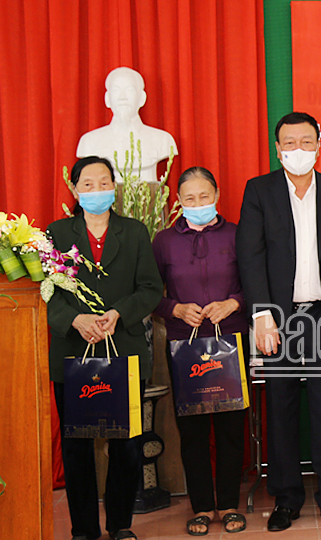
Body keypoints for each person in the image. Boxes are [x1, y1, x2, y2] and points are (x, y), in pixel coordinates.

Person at [236, 112, 321, 532]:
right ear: (278, 149)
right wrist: (261, 315)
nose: (298, 149)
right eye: (289, 143)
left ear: (319, 146)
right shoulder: (259, 190)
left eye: (306, 141)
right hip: (278, 317)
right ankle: (286, 498)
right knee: (281, 405)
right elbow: (250, 255)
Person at [47, 156, 163, 540]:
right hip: (72, 352)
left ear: (114, 187)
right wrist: (74, 320)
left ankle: (119, 525)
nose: (96, 190)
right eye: (87, 184)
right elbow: (45, 291)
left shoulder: (134, 232)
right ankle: (83, 529)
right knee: (76, 447)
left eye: (103, 183)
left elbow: (151, 288)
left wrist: (119, 313)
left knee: (127, 446)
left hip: (123, 349)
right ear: (74, 189)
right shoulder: (56, 233)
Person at [152, 167, 248, 535]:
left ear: (217, 195)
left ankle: (229, 504)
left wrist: (234, 303)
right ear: (178, 201)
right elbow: (148, 292)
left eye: (204, 196)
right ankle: (202, 506)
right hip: (184, 346)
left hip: (230, 342)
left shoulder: (237, 234)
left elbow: (257, 283)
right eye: (189, 198)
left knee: (230, 428)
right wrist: (174, 309)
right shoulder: (163, 241)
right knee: (192, 430)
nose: (197, 203)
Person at [77, 66, 177, 183]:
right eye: (116, 90)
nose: (122, 97)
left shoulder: (163, 140)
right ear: (107, 99)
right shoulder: (89, 142)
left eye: (130, 90)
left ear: (142, 98)